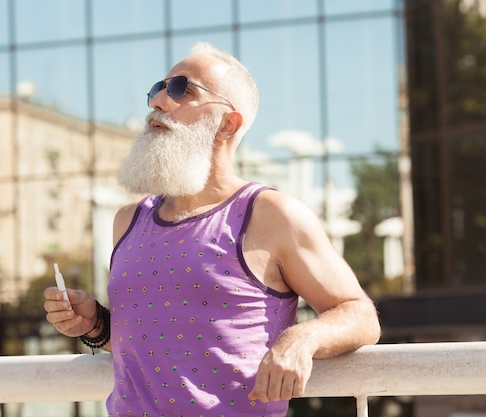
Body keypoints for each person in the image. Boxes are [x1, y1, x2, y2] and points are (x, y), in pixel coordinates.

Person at [44, 41, 381, 417]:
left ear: (227, 123)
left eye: (181, 89)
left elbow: (359, 314)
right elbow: (166, 341)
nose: (158, 102)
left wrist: (302, 338)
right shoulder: (129, 219)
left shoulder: (271, 214)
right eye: (158, 88)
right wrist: (96, 325)